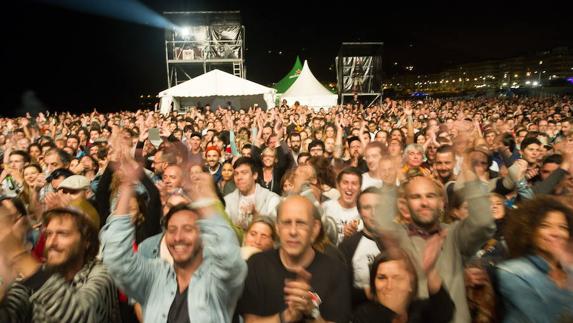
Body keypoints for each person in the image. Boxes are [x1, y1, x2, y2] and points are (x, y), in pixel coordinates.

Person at [101, 158, 247, 323]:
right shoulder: (155, 276)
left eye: (187, 229)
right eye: (172, 230)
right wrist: (127, 186)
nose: (178, 238)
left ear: (202, 233)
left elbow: (228, 252)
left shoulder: (217, 279)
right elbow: (117, 259)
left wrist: (203, 195)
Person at [375, 154, 495, 323]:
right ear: (405, 205)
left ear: (441, 203)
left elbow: (484, 223)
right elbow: (381, 224)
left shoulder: (454, 234)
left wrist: (469, 174)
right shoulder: (399, 236)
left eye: (430, 196)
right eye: (416, 197)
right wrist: (388, 185)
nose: (424, 202)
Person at [237, 195, 351, 322]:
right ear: (277, 228)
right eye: (286, 223)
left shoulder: (336, 271)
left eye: (301, 223)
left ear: (314, 229)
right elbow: (250, 321)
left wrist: (312, 312)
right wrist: (287, 316)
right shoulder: (257, 265)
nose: (293, 231)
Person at [0, 205, 121, 322]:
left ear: (87, 241)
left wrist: (19, 254)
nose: (52, 242)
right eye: (48, 234)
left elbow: (80, 316)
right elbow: (9, 315)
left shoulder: (101, 274)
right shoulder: (37, 274)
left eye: (62, 233)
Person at [496, 196, 573, 323]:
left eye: (563, 227)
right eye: (545, 226)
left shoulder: (569, 269)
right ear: (528, 231)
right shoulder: (512, 272)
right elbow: (547, 318)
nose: (556, 233)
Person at [352, 235, 455, 323]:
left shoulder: (419, 310)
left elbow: (444, 312)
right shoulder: (364, 315)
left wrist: (430, 271)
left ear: (411, 285)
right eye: (382, 278)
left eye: (397, 278)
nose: (389, 285)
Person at [338, 187, 384, 309]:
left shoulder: (397, 243)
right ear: (360, 212)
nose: (374, 213)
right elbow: (341, 292)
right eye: (367, 207)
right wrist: (367, 293)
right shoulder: (348, 247)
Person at [224, 157, 280, 230]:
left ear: (255, 175)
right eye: (236, 174)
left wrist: (256, 215)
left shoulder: (271, 199)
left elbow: (275, 231)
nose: (239, 177)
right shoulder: (227, 201)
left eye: (244, 173)